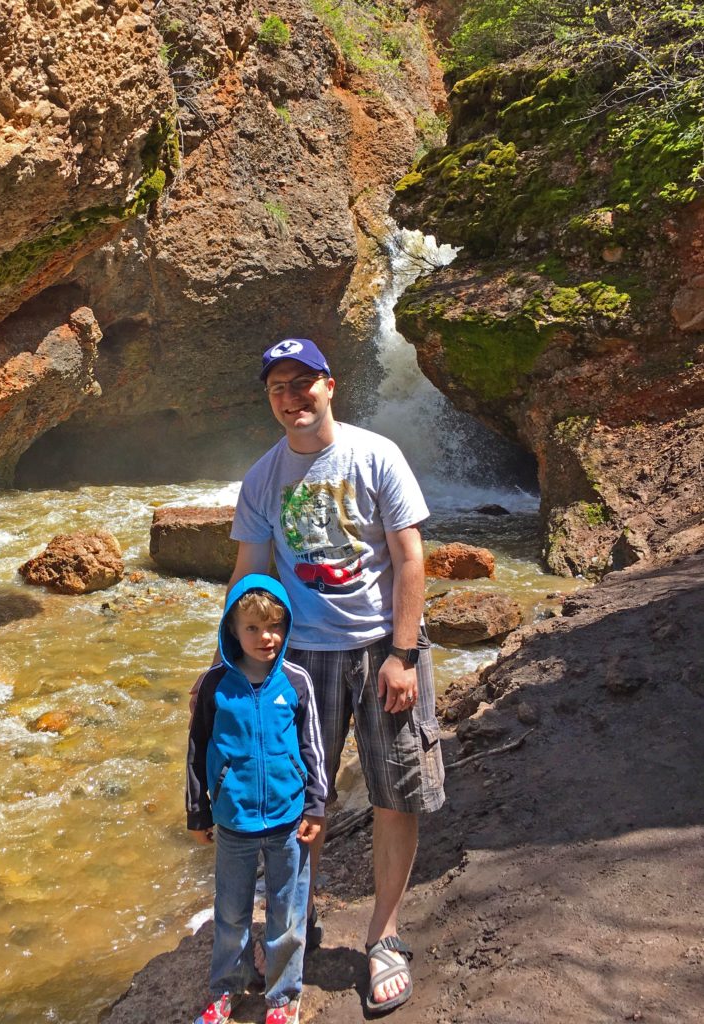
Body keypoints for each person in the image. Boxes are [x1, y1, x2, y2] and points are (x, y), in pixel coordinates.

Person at [224, 338, 446, 1015]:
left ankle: (382, 936)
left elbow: (411, 558)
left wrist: (402, 656)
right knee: (295, 804)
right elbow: (250, 575)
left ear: (329, 385)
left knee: (394, 792)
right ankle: (294, 925)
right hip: (298, 658)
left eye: (300, 384)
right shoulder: (263, 476)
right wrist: (228, 668)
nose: (289, 399)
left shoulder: (375, 455)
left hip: (381, 646)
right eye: (276, 389)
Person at [186, 573, 327, 1024]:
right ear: (232, 629)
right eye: (252, 627)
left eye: (275, 626)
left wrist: (315, 804)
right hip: (234, 822)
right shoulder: (215, 686)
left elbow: (313, 747)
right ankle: (226, 989)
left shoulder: (296, 681)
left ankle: (283, 995)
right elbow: (197, 749)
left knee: (287, 913)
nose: (266, 637)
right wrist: (198, 810)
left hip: (288, 821)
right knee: (230, 914)